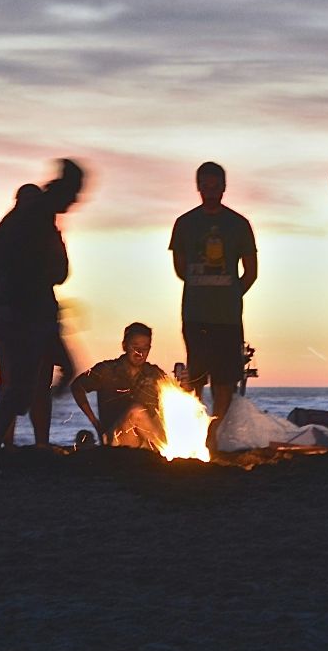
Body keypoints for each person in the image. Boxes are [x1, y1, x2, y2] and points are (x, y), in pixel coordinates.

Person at [0, 160, 85, 468]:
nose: (76, 202)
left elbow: (57, 270)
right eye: (74, 194)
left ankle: (2, 446)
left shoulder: (34, 220)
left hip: (35, 312)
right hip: (25, 314)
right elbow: (52, 270)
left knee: (61, 372)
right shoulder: (33, 218)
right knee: (20, 389)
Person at [169, 161, 256, 453]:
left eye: (214, 186)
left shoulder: (239, 224)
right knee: (195, 376)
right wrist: (203, 283)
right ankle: (193, 433)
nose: (209, 192)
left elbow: (251, 271)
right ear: (198, 187)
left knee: (225, 379)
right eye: (204, 186)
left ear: (223, 187)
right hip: (195, 313)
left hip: (227, 317)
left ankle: (215, 434)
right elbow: (180, 268)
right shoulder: (185, 223)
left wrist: (232, 293)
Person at [70, 322, 167, 452]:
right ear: (124, 346)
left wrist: (184, 382)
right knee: (137, 412)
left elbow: (178, 396)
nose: (140, 352)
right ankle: (170, 451)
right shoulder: (106, 370)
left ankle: (168, 450)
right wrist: (95, 423)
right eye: (135, 346)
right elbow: (77, 387)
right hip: (118, 439)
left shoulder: (155, 374)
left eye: (145, 348)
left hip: (148, 440)